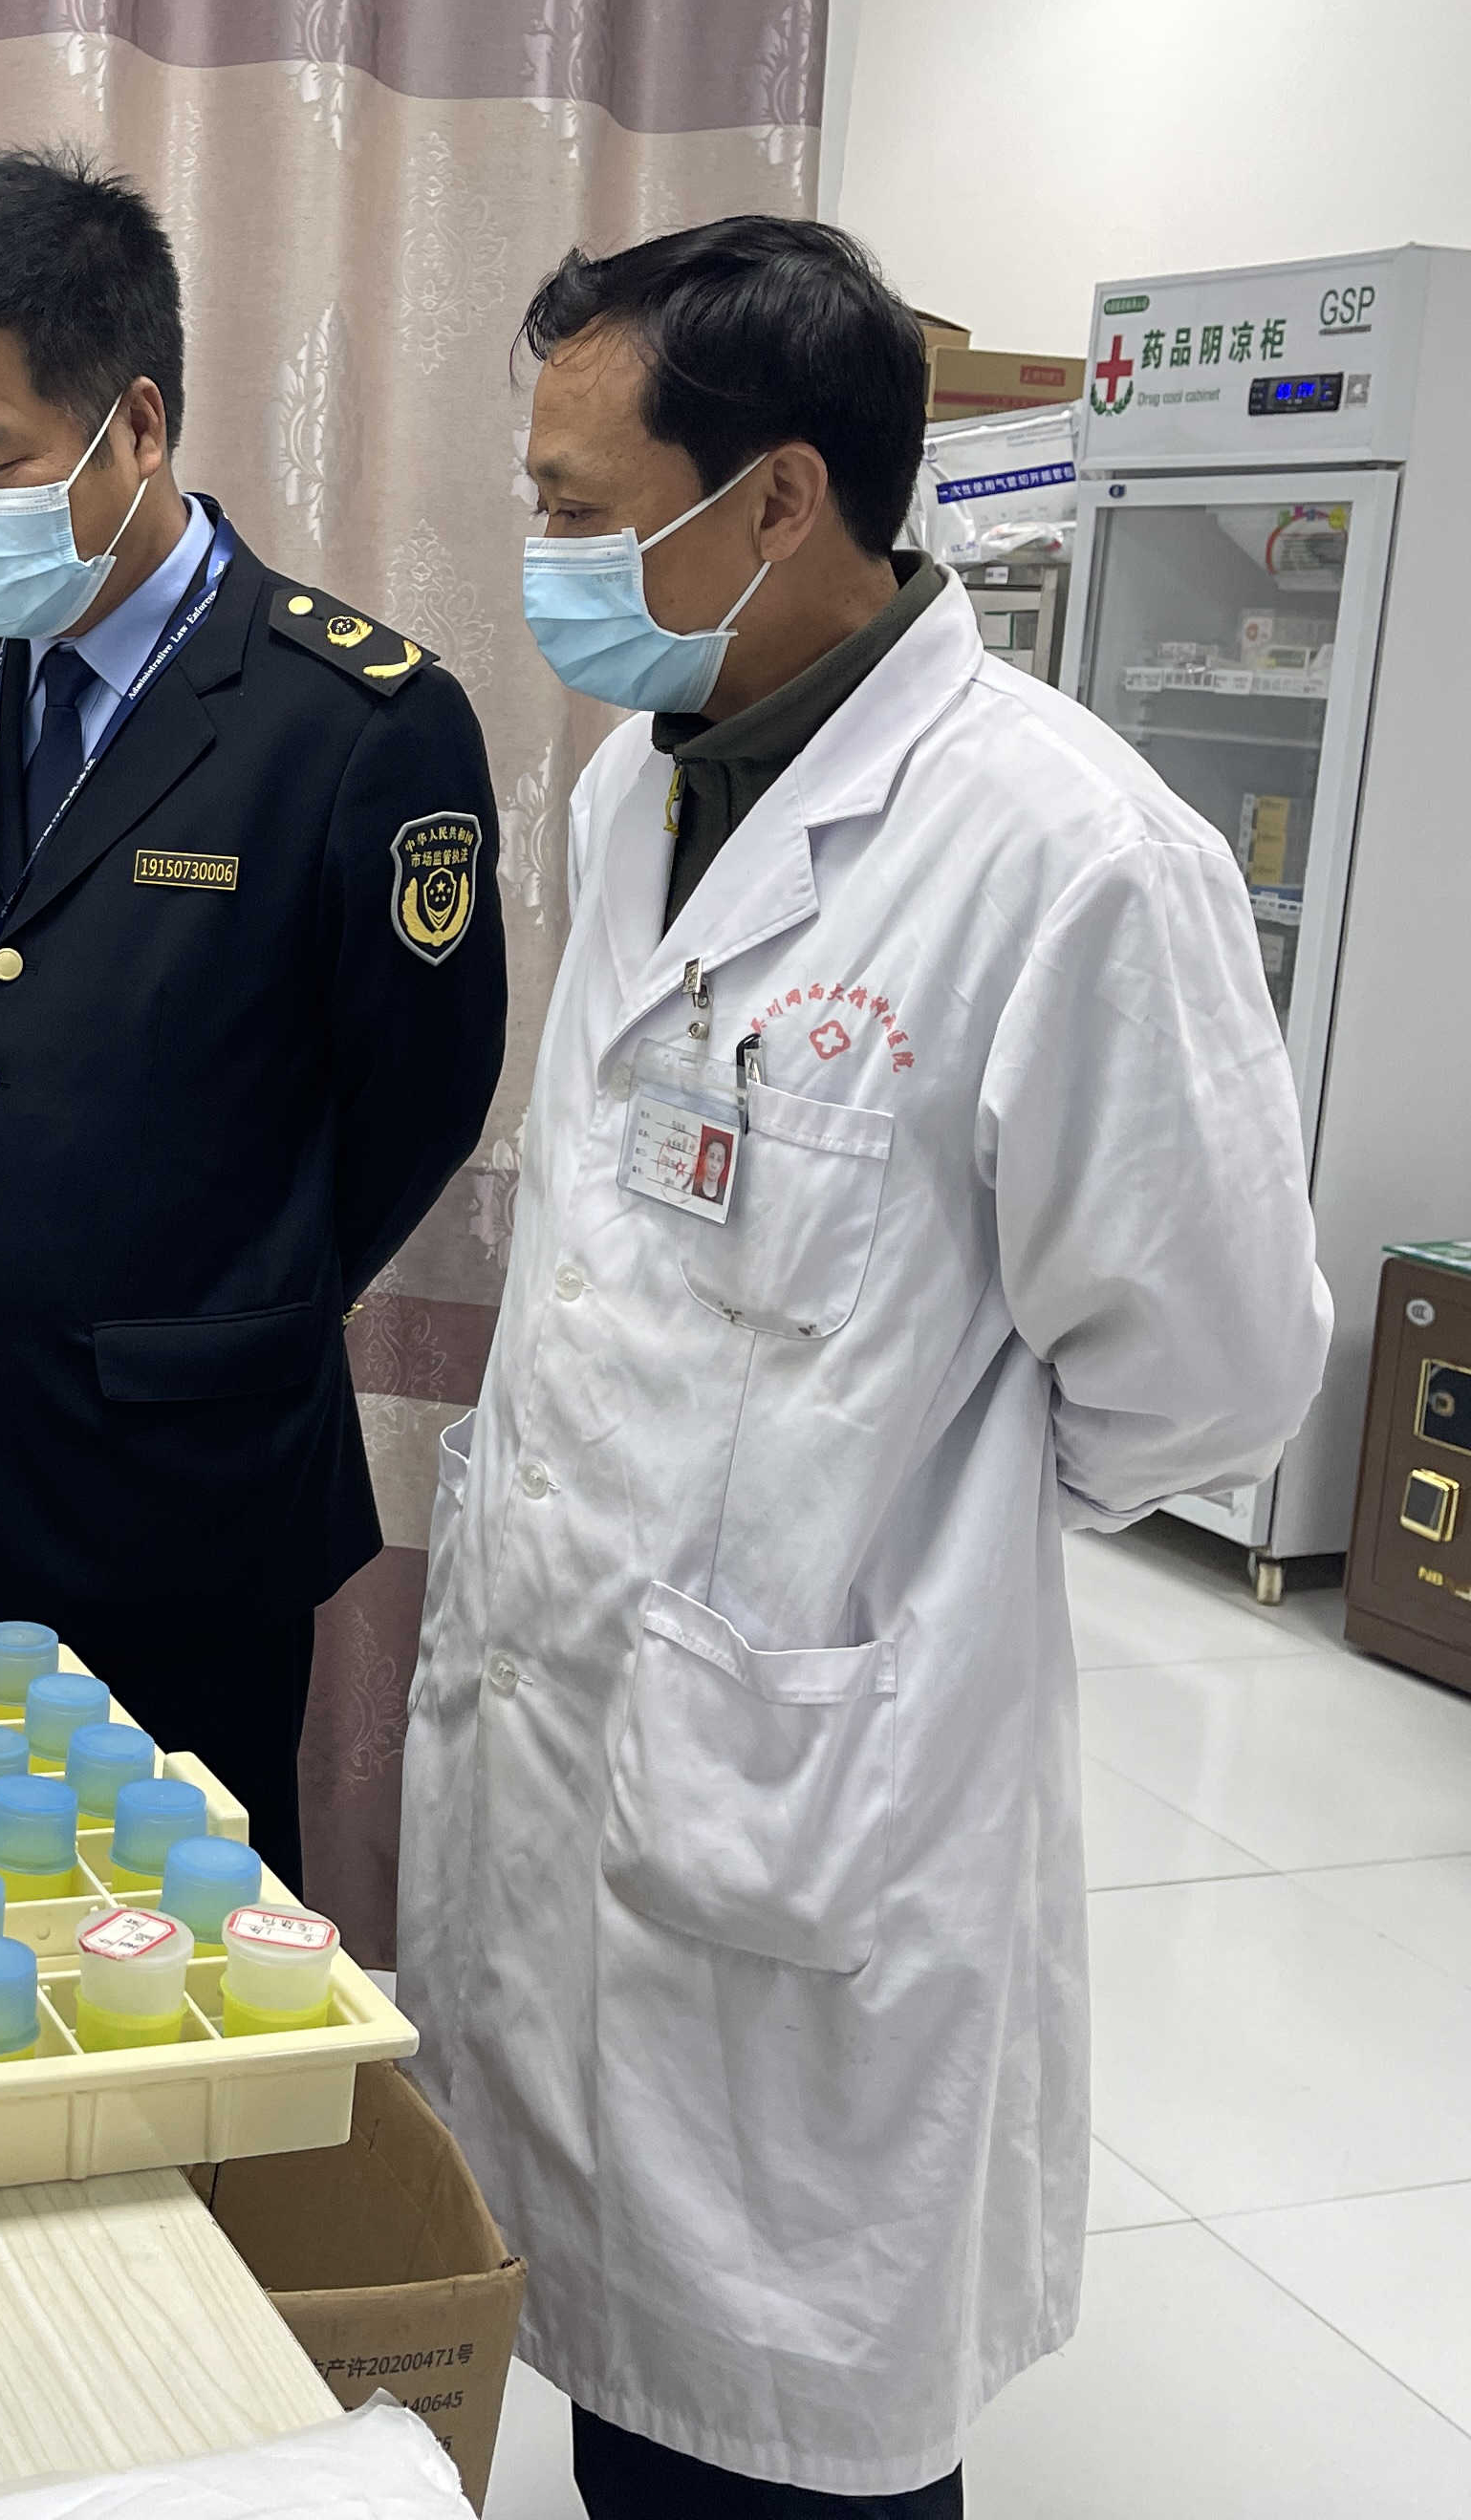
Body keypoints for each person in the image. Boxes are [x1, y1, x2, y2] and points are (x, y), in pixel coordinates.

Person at [397, 218, 1328, 2511]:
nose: (546, 556)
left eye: (584, 510)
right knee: (612, 2376)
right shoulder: (641, 784)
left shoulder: (1073, 858)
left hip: (810, 1777)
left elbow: (1216, 1372)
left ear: (783, 499)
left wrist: (912, 1528)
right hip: (586, 1717)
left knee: (781, 2444)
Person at [0, 147, 508, 1886]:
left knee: (169, 1932)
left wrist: (229, 1302)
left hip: (181, 1478)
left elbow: (422, 1096)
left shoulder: (349, 723)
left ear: (136, 424)